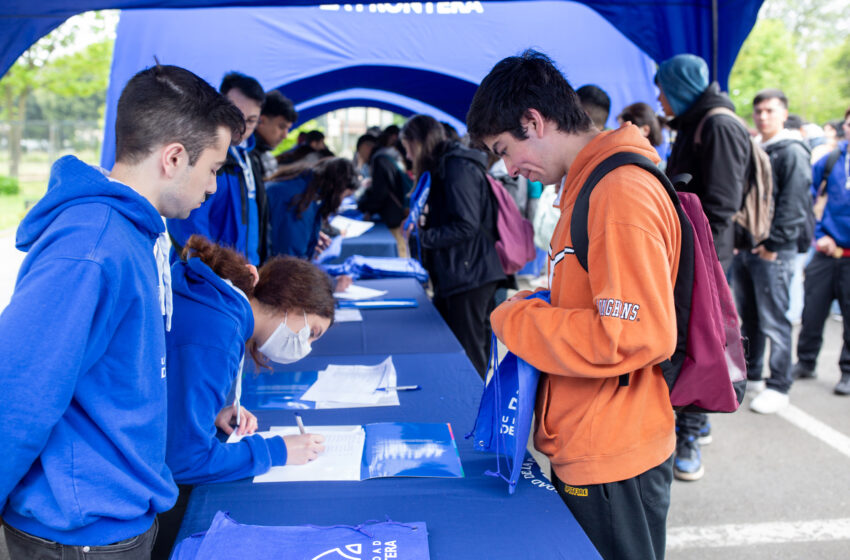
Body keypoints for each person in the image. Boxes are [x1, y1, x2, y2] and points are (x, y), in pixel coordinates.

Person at [0, 64, 244, 559]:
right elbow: (20, 392)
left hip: (121, 513)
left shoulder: (143, 234)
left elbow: (124, 369)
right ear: (175, 157)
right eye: (213, 169)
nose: (215, 187)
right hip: (78, 531)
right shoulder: (91, 245)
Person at [467, 50, 680, 560]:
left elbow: (634, 333)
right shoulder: (589, 186)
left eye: (503, 149)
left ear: (533, 121)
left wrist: (517, 318)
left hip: (610, 450)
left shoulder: (618, 193)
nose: (508, 168)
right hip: (597, 437)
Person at [152, 235, 330, 558]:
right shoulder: (221, 332)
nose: (307, 346)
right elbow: (186, 459)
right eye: (312, 332)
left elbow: (172, 375)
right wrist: (276, 451)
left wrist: (211, 413)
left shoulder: (220, 306)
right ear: (292, 304)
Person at [655, 53, 751, 481]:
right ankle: (699, 421)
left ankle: (690, 433)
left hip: (705, 259)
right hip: (690, 255)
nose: (659, 98)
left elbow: (723, 203)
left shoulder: (718, 125)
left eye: (662, 89)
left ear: (679, 87)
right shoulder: (696, 123)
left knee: (700, 344)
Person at [400, 114, 506, 377]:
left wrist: (422, 237)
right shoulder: (445, 166)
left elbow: (466, 224)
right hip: (461, 272)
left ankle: (472, 413)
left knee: (468, 356)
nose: (408, 157)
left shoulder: (457, 167)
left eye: (408, 149)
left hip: (470, 276)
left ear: (419, 143)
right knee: (466, 351)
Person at [733, 89, 811, 414]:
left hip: (774, 250)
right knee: (749, 316)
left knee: (774, 318)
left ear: (783, 112)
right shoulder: (758, 147)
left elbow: (794, 206)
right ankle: (753, 374)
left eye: (769, 110)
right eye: (758, 111)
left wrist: (773, 246)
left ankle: (779, 384)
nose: (763, 116)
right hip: (750, 246)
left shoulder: (791, 151)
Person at [167, 72, 269, 265]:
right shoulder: (198, 155)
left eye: (251, 121)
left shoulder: (250, 159)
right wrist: (214, 273)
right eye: (236, 115)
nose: (242, 127)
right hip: (208, 280)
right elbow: (190, 229)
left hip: (244, 275)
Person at [793, 107, 850, 395]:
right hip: (826, 250)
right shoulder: (831, 161)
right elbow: (809, 200)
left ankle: (848, 372)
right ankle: (805, 361)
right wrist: (819, 235)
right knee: (812, 310)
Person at [266, 157, 358, 259]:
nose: (341, 203)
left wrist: (311, 236)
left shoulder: (304, 186)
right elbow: (289, 258)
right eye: (345, 195)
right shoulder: (299, 201)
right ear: (335, 188)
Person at [253, 90, 298, 179]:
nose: (285, 135)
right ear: (261, 121)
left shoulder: (265, 155)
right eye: (281, 127)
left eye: (288, 129)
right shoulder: (243, 156)